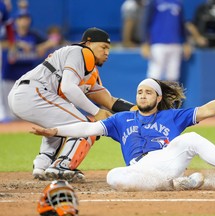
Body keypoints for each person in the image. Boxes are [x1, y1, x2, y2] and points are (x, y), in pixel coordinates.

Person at [31, 78, 215, 191]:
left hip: (166, 159)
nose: (142, 95)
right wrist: (56, 131)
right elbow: (87, 128)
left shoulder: (172, 116)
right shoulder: (121, 120)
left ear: (158, 98)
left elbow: (207, 109)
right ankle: (177, 184)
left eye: (148, 92)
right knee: (113, 177)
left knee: (191, 139)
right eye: (139, 92)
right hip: (139, 170)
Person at [8, 27, 136, 182]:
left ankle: (42, 165)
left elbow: (109, 101)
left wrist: (138, 109)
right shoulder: (80, 52)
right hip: (33, 92)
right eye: (103, 47)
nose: (107, 52)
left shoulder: (88, 71)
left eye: (108, 48)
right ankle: (62, 166)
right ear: (88, 43)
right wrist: (96, 112)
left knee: (62, 126)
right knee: (86, 126)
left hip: (29, 93)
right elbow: (68, 88)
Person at [1, 11, 46, 123]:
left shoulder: (33, 35)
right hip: (9, 76)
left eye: (26, 18)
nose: (24, 21)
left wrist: (39, 47)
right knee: (8, 113)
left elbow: (53, 40)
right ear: (16, 21)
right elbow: (2, 44)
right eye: (21, 18)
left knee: (23, 112)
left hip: (26, 78)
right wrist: (17, 44)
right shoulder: (10, 34)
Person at [141, 0, 192, 81]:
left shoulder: (178, 2)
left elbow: (182, 23)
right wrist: (145, 43)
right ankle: (151, 93)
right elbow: (146, 22)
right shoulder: (154, 2)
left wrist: (186, 42)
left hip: (175, 43)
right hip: (158, 43)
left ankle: (170, 94)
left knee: (173, 76)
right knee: (155, 75)